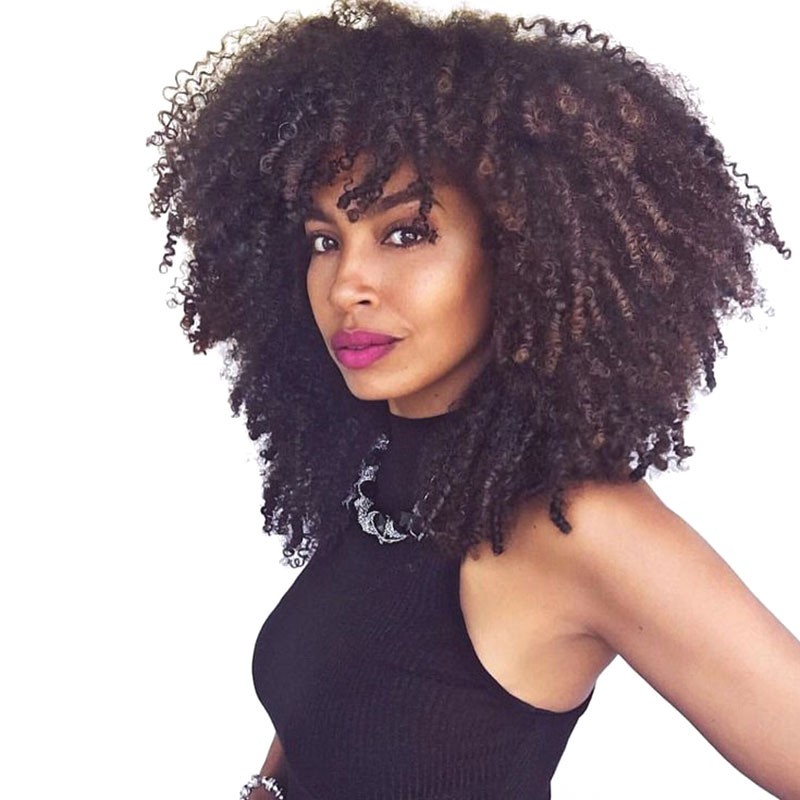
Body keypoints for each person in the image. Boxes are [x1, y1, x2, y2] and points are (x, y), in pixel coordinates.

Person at [148, 1, 800, 797]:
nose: (346, 285)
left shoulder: (576, 525)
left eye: (405, 233)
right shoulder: (380, 466)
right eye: (325, 241)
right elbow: (337, 701)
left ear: (521, 251)